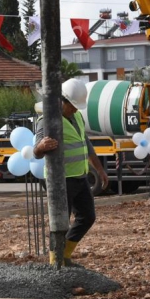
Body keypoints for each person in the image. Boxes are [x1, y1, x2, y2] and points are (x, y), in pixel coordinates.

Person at [33, 78, 109, 267]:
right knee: (60, 223)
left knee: (87, 216)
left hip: (80, 177)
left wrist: (99, 169)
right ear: (62, 101)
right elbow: (36, 151)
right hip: (60, 180)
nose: (75, 109)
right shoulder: (47, 120)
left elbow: (86, 144)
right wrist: (41, 147)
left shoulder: (77, 118)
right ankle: (54, 261)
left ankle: (64, 255)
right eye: (73, 106)